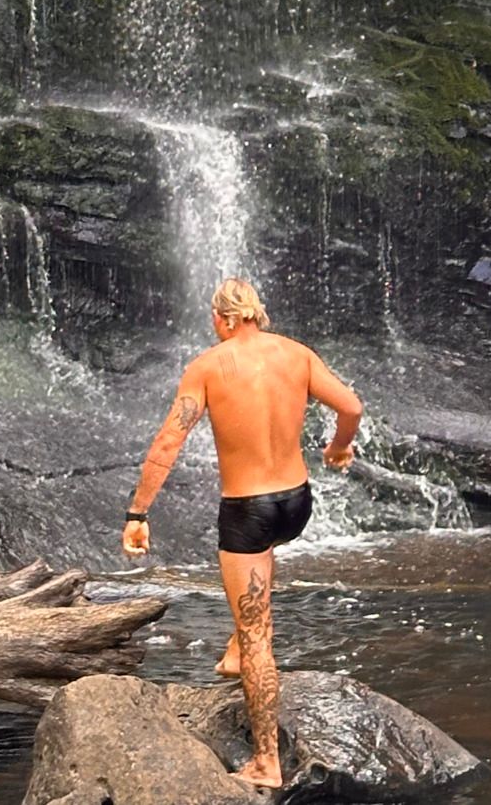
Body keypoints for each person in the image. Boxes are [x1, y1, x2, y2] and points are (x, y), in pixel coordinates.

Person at [121, 277, 363, 788]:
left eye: (214, 318)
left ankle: (266, 762)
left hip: (248, 510)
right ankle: (236, 644)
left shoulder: (208, 366)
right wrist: (340, 448)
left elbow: (169, 441)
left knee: (257, 634)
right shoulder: (297, 354)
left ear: (226, 319)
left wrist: (138, 513)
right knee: (255, 586)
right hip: (295, 504)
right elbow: (351, 407)